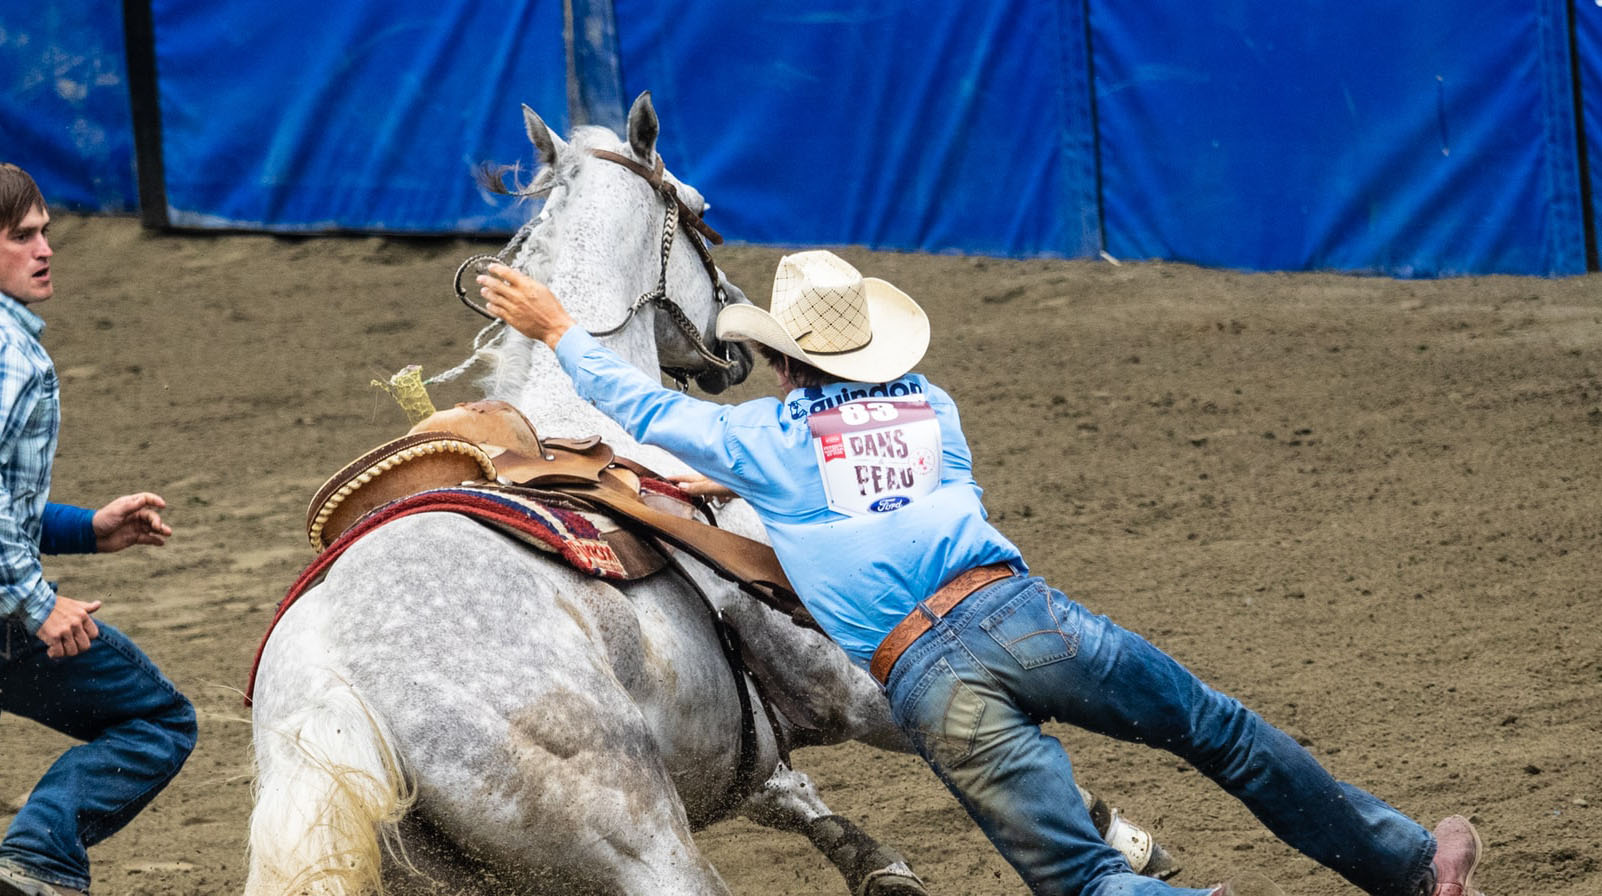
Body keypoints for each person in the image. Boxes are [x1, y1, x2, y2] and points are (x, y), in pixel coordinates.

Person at [477, 248, 1484, 896]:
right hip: (1021, 613)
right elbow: (879, 487)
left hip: (925, 674)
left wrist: (561, 329)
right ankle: (1410, 866)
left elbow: (652, 414)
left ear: (782, 364)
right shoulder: (933, 409)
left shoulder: (767, 442)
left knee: (1078, 876)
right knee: (1218, 730)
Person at [0, 163, 197, 896]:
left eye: (45, 232)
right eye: (23, 236)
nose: (45, 249)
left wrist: (88, 528)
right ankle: (38, 859)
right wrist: (36, 603)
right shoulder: (11, 355)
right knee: (158, 720)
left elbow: (8, 503)